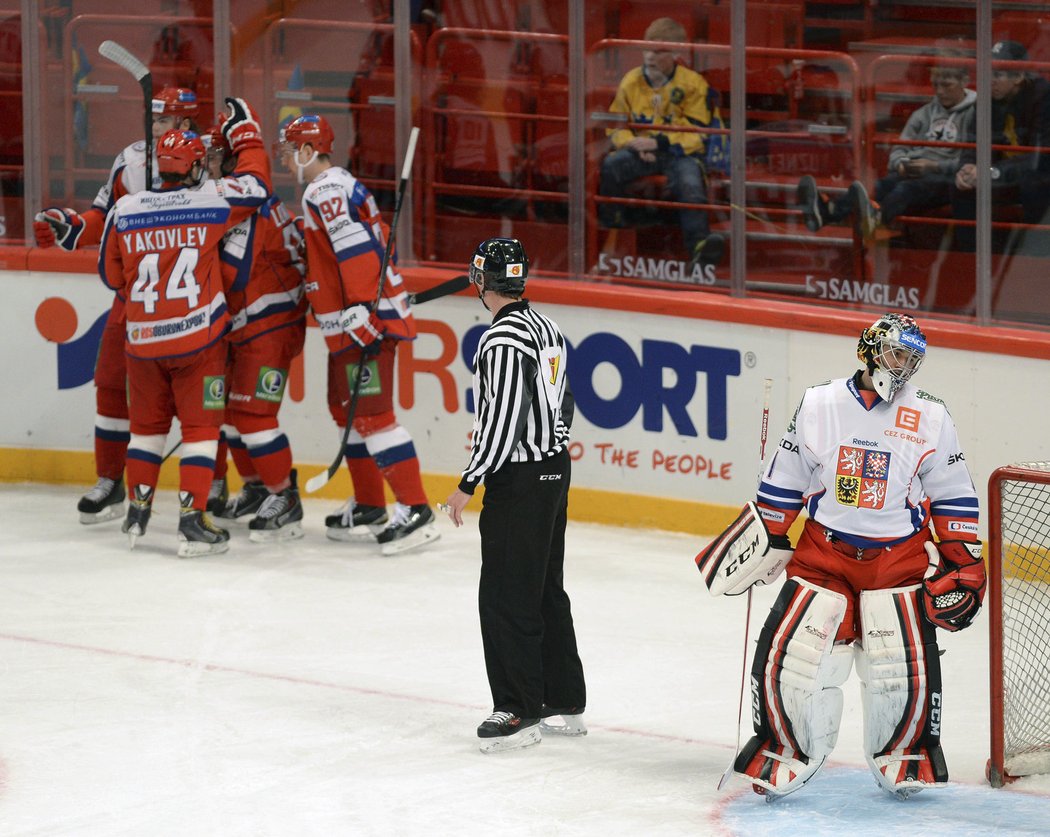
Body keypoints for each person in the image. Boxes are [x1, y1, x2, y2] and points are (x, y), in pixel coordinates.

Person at [699, 313, 985, 800]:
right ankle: (782, 748)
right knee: (794, 657)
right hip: (822, 552)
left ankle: (907, 753)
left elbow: (952, 492)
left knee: (901, 664)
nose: (904, 367)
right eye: (897, 354)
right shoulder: (819, 403)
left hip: (899, 557)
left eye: (913, 358)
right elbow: (787, 477)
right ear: (870, 351)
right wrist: (765, 532)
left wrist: (963, 561)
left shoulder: (932, 415)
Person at [98, 100, 271, 557]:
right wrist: (247, 138)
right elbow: (257, 188)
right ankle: (191, 522)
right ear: (195, 167)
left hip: (142, 343)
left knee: (146, 432)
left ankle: (137, 514)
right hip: (199, 342)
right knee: (199, 432)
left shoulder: (126, 207)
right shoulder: (211, 200)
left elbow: (111, 276)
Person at [442, 238, 587, 754]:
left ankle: (519, 709)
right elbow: (564, 400)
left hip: (520, 478)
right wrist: (552, 452)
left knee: (506, 594)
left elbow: (501, 420)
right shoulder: (546, 327)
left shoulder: (501, 340)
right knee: (545, 585)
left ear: (482, 280)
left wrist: (468, 482)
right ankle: (562, 699)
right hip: (553, 470)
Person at [34, 87, 204, 524]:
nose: (154, 128)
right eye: (153, 119)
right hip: (134, 296)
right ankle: (110, 481)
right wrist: (74, 226)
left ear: (184, 124)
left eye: (163, 121)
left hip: (189, 302)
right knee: (110, 383)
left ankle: (213, 485)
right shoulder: (130, 159)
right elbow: (103, 216)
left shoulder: (206, 162)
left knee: (195, 403)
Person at [276, 114, 439, 555]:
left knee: (372, 416)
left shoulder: (323, 188)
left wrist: (360, 311)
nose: (288, 162)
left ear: (309, 151)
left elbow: (356, 249)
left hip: (362, 323)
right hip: (348, 324)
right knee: (343, 408)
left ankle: (417, 508)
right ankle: (370, 505)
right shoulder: (335, 187)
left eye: (292, 152)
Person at [200, 120, 309, 541]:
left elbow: (236, 274)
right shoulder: (241, 198)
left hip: (270, 322)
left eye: (212, 156)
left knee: (252, 413)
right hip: (253, 322)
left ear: (229, 158)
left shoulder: (250, 204)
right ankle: (257, 486)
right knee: (230, 412)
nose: (206, 164)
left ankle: (286, 497)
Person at [598, 17, 725, 271]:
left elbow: (698, 134)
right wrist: (632, 144)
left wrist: (657, 143)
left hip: (678, 153)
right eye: (646, 49)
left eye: (658, 51)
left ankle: (699, 249)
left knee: (691, 184)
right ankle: (617, 231)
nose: (649, 57)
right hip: (640, 151)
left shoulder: (693, 84)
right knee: (611, 165)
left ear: (676, 52)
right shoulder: (630, 81)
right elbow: (615, 126)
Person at [798, 59, 976, 241]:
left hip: (949, 179)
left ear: (964, 81)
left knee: (904, 189)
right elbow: (898, 153)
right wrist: (901, 165)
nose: (939, 91)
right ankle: (828, 211)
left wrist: (933, 166)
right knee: (878, 186)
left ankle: (876, 221)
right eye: (935, 85)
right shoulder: (923, 113)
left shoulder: (976, 114)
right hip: (914, 171)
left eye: (947, 85)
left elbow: (972, 162)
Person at [950, 40, 1050, 252]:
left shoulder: (1044, 98)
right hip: (1001, 173)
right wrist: (966, 168)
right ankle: (972, 260)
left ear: (1019, 77)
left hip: (1038, 175)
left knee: (1034, 187)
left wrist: (990, 172)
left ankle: (1036, 261)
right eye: (988, 73)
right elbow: (973, 142)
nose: (990, 81)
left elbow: (1038, 159)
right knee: (961, 189)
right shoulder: (986, 99)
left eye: (998, 75)